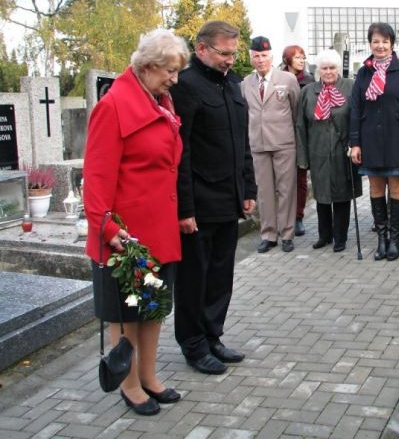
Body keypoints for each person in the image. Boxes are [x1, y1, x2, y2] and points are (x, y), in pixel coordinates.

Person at [84, 29, 189, 415]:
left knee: (153, 306)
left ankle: (149, 376)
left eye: (177, 72)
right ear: (146, 67)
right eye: (170, 71)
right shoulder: (113, 107)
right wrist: (107, 229)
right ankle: (129, 385)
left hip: (159, 229)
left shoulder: (161, 102)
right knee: (127, 313)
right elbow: (96, 178)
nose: (175, 79)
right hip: (126, 235)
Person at [170, 21, 257, 375]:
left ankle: (213, 336)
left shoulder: (233, 84)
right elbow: (181, 152)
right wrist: (185, 208)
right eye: (225, 53)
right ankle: (193, 345)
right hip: (199, 203)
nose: (230, 60)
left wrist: (248, 188)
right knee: (194, 278)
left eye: (234, 53)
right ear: (202, 49)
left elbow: (242, 141)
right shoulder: (186, 86)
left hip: (228, 198)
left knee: (221, 275)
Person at [349, 22, 399, 261]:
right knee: (375, 188)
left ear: (392, 44)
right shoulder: (364, 72)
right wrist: (355, 143)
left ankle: (394, 239)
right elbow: (355, 109)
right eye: (375, 41)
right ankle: (381, 238)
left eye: (385, 41)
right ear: (370, 44)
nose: (380, 46)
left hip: (396, 138)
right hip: (370, 140)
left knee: (396, 187)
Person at [296, 49, 361, 252]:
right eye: (324, 68)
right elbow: (300, 126)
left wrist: (356, 144)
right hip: (319, 152)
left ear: (338, 68)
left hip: (343, 152)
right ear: (318, 70)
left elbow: (358, 119)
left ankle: (340, 237)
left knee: (342, 195)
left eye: (332, 67)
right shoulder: (308, 92)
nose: (329, 72)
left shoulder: (350, 87)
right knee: (322, 195)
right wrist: (303, 157)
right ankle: (325, 235)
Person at [242, 36, 300, 253]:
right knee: (264, 192)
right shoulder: (246, 83)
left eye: (264, 55)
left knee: (286, 190)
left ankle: (287, 234)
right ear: (251, 58)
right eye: (256, 56)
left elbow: (295, 111)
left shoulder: (287, 79)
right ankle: (268, 234)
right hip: (257, 144)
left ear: (271, 56)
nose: (260, 60)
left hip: (284, 142)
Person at [281, 45, 314, 237]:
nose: (302, 61)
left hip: (302, 133)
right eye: (297, 58)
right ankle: (283, 217)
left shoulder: (309, 81)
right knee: (283, 180)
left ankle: (298, 217)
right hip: (282, 134)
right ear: (288, 59)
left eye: (303, 57)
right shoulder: (278, 79)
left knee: (301, 177)